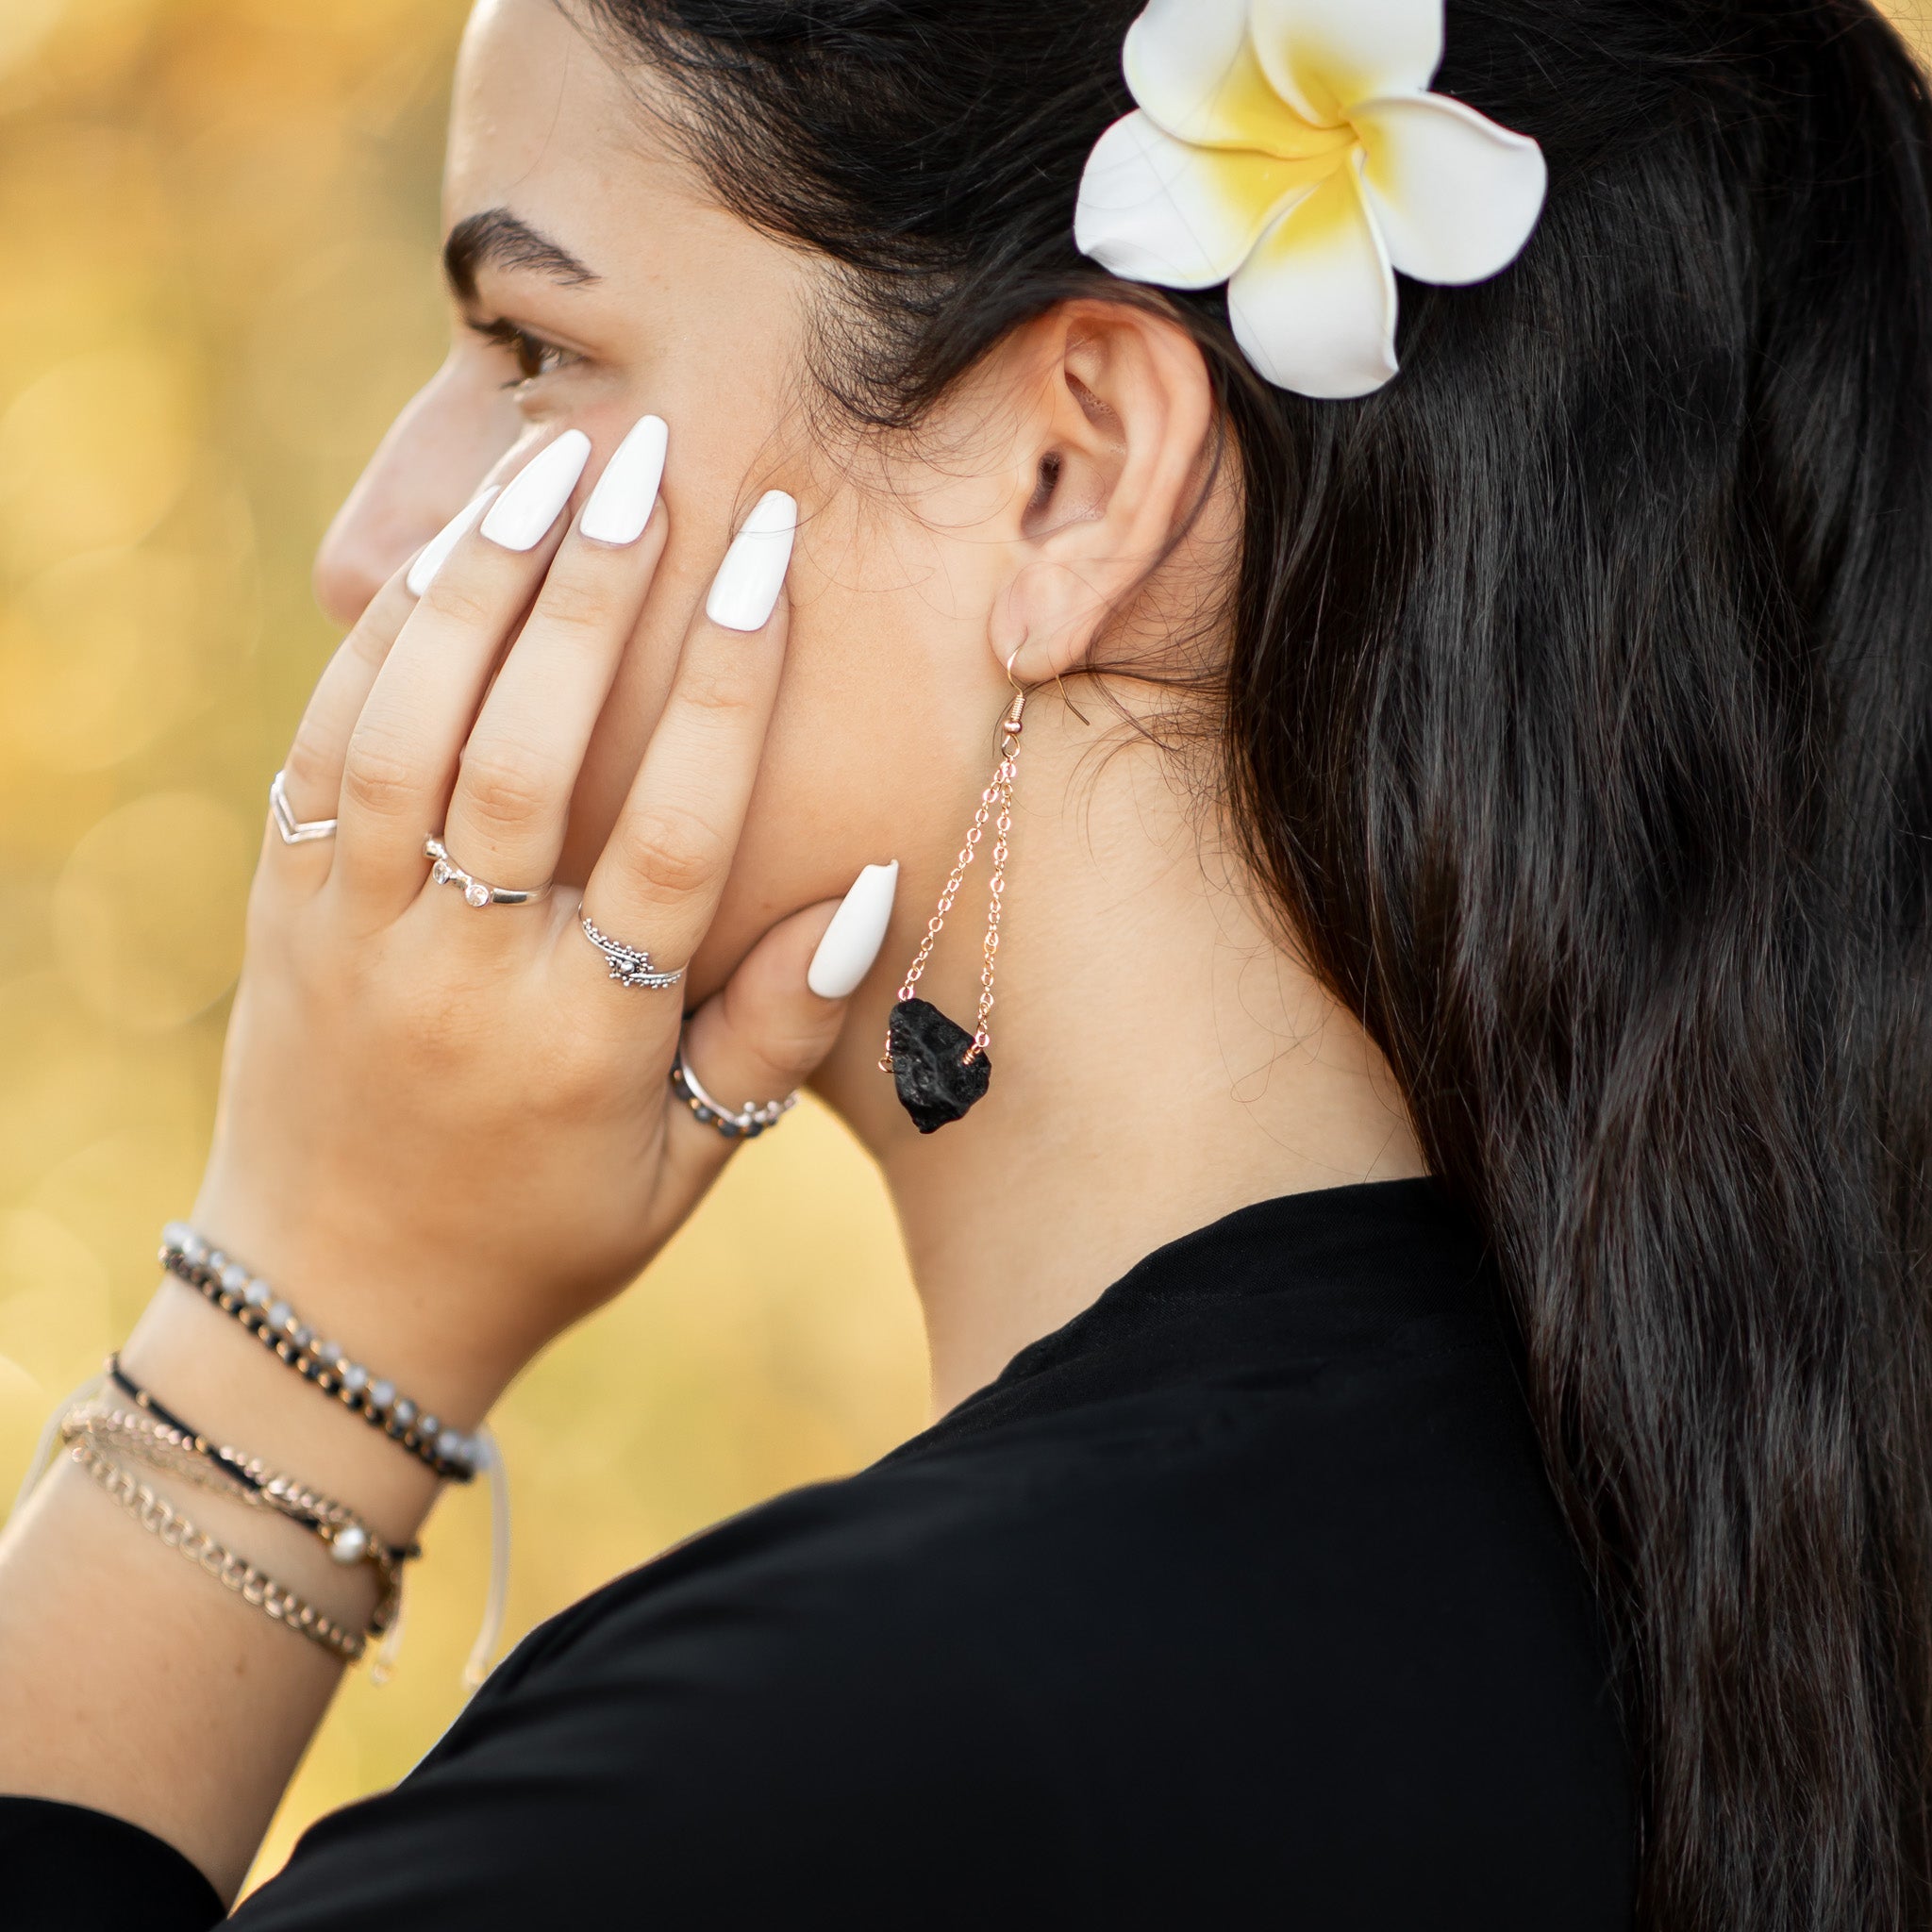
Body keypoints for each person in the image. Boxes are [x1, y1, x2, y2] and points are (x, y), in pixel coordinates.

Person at [4, 0, 1931, 1923]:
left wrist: (297, 1321)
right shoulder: (1757, 1538)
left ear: (1072, 479)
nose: (368, 543)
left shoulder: (802, 1779)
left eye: (533, 347)